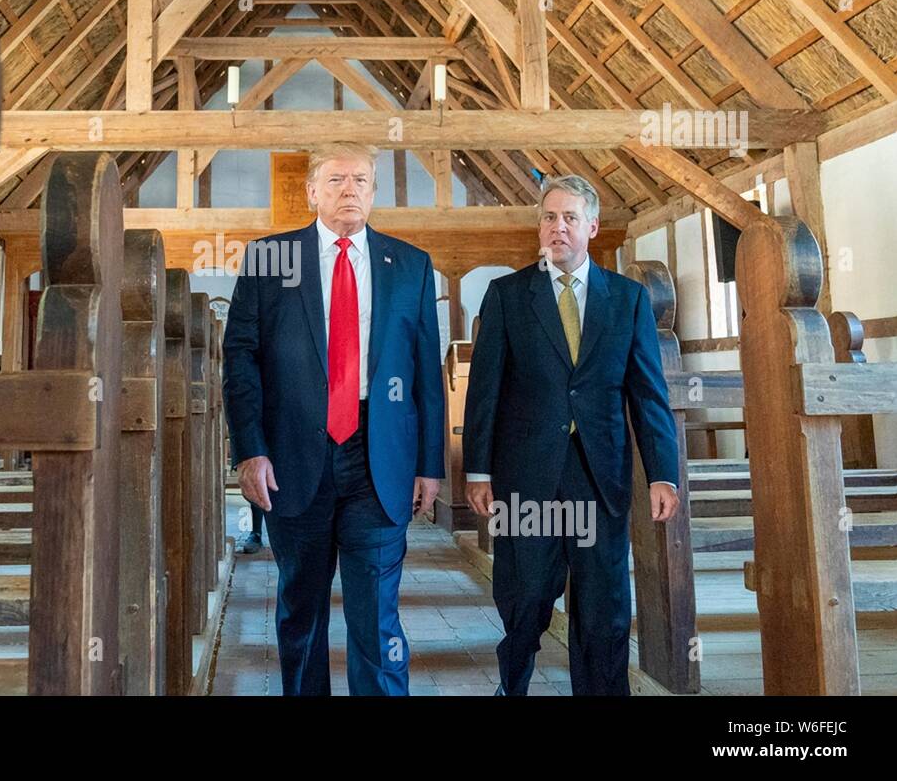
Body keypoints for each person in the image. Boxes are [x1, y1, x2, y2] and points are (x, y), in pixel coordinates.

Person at [222, 145, 445, 696]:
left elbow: (424, 375)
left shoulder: (410, 264)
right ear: (312, 191)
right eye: (337, 179)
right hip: (294, 458)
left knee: (377, 617)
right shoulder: (268, 259)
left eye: (362, 180)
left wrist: (430, 465)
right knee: (302, 612)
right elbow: (241, 358)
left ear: (374, 191)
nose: (351, 189)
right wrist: (250, 449)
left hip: (380, 457)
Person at [462, 174, 680, 696]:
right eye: (549, 217)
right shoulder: (508, 296)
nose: (557, 227)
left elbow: (647, 395)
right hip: (527, 476)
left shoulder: (627, 300)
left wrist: (662, 475)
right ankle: (512, 684)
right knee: (527, 595)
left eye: (569, 218)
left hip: (598, 474)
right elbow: (485, 391)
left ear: (592, 227)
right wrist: (477, 469)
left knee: (603, 605)